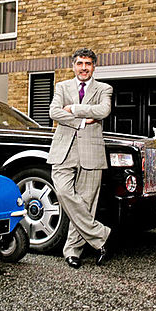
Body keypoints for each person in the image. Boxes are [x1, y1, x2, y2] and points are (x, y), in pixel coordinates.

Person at [49, 49, 113, 265]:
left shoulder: (104, 88)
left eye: (88, 63)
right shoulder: (62, 87)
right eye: (79, 63)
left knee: (86, 203)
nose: (83, 67)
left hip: (91, 151)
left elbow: (104, 110)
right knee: (64, 191)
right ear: (73, 66)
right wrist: (82, 121)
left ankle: (72, 252)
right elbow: (53, 112)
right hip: (63, 150)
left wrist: (74, 108)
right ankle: (100, 235)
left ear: (94, 66)